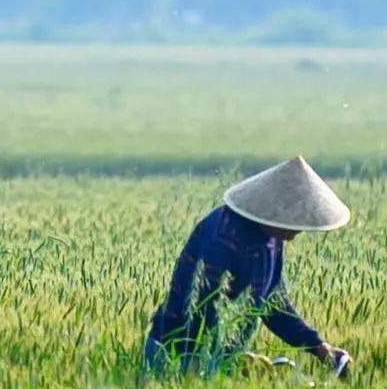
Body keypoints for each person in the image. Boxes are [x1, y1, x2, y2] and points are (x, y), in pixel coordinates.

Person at [143, 156, 353, 377]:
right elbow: (200, 307)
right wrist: (234, 360)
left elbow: (273, 303)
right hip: (180, 353)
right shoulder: (224, 237)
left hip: (218, 357)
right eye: (292, 223)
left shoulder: (273, 237)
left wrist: (319, 348)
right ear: (273, 210)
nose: (293, 236)